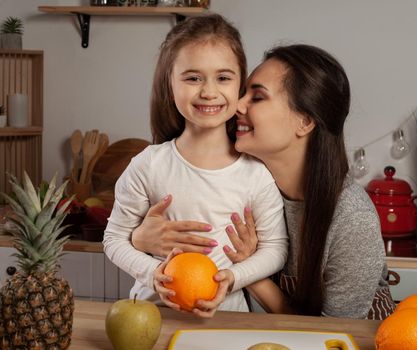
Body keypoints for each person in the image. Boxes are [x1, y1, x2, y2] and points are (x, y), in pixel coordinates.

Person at [132, 43, 395, 319]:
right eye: (242, 93)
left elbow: (332, 334)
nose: (237, 104)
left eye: (256, 98)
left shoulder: (352, 218)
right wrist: (140, 238)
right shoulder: (250, 183)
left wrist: (250, 271)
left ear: (304, 121)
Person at [103, 14, 288, 318]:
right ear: (170, 83)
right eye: (193, 78)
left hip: (228, 319)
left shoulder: (256, 173)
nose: (209, 92)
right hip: (151, 316)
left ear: (240, 83)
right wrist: (155, 272)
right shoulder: (148, 165)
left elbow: (276, 250)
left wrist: (234, 278)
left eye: (223, 78)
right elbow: (113, 240)